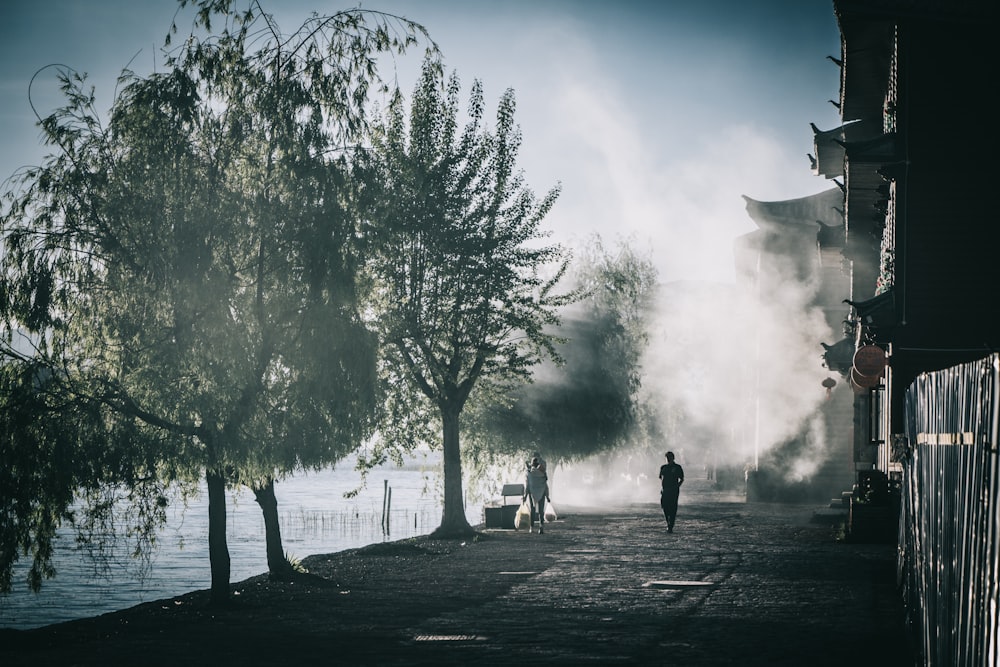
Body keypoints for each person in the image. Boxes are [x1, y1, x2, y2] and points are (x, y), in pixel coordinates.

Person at [658, 451, 684, 532]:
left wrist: (677, 486)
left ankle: (670, 525)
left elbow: (681, 479)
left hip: (674, 490)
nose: (668, 459)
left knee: (673, 507)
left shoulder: (677, 467)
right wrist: (662, 488)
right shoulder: (663, 467)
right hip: (665, 490)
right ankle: (668, 522)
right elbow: (660, 477)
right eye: (667, 458)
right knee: (665, 506)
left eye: (670, 458)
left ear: (673, 458)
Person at [524, 456, 550, 534]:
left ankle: (531, 528)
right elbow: (545, 485)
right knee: (541, 511)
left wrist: (525, 496)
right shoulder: (543, 474)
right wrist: (547, 496)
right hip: (542, 493)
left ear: (532, 464)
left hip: (532, 493)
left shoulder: (529, 473)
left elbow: (528, 486)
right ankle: (541, 527)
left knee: (532, 510)